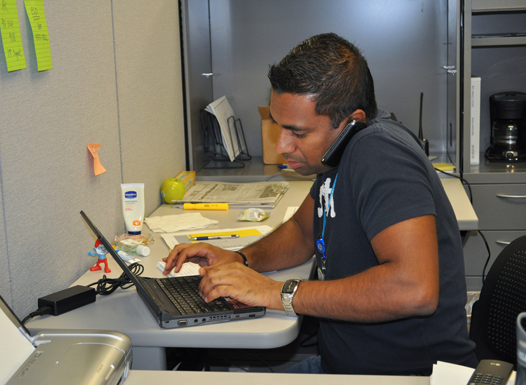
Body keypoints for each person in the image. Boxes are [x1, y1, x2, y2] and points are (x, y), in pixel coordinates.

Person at [163, 32, 477, 375]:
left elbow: (414, 289)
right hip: (345, 365)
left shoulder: (380, 154)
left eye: (297, 133)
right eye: (279, 126)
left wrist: (278, 293)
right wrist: (242, 259)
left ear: (351, 120)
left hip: (406, 377)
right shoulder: (336, 153)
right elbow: (302, 230)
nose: (283, 145)